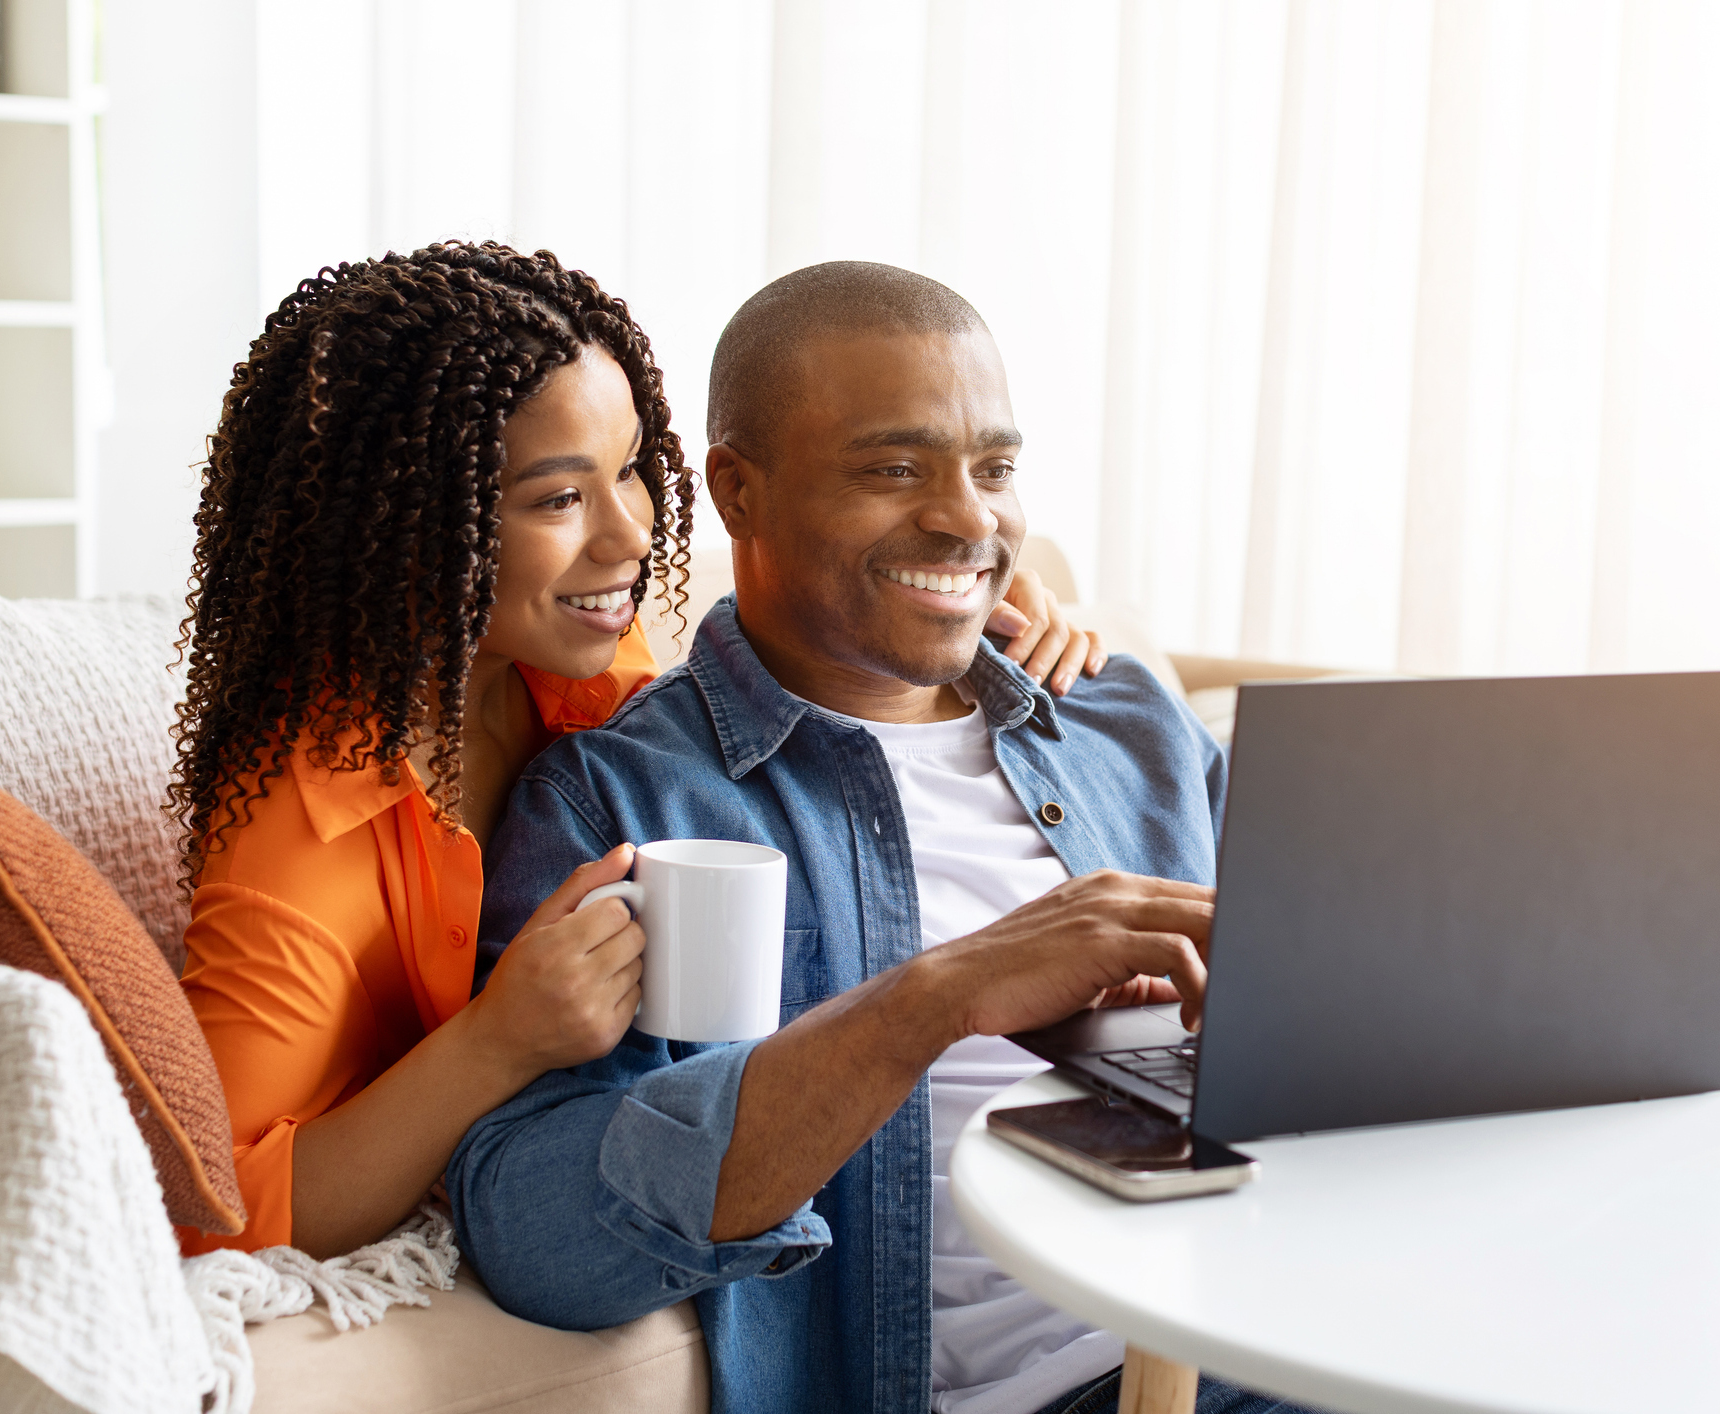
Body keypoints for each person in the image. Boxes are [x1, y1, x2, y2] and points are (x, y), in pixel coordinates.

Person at [449, 262, 1315, 1414]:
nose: (969, 519)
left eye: (996, 469)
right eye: (896, 469)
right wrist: (933, 998)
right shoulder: (624, 805)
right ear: (737, 491)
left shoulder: (1127, 726)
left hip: (1297, 1315)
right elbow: (536, 1233)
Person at [168, 242, 1103, 1258]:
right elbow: (214, 1214)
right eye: (559, 498)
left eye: (629, 472)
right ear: (410, 528)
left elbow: (775, 632)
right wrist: (493, 1044)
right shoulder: (300, 833)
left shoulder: (580, 663)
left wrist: (962, 601)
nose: (631, 536)